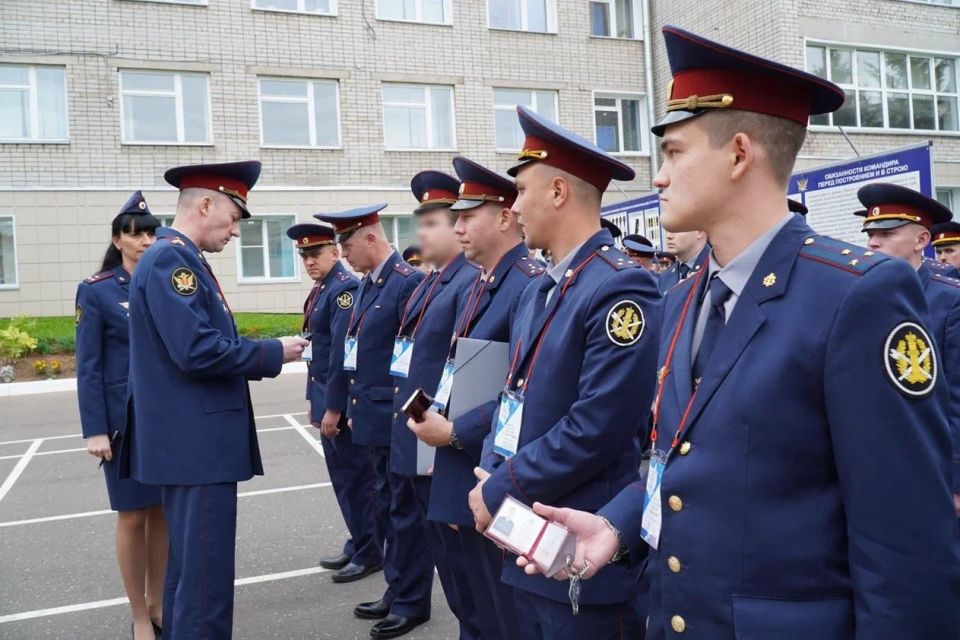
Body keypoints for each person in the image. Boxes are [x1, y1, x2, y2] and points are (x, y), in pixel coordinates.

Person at [518, 25, 960, 638]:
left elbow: (906, 542)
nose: (659, 176)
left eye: (673, 152)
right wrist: (617, 526)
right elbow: (682, 461)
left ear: (739, 153)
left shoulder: (857, 297)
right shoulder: (683, 294)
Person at [468, 105, 662, 638]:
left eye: (522, 191)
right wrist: (490, 473)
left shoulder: (621, 286)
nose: (515, 207)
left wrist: (498, 487)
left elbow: (597, 425)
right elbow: (516, 398)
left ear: (557, 192)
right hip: (525, 531)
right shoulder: (541, 287)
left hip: (582, 545)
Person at [121, 161, 309, 640]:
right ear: (205, 205)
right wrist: (273, 352)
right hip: (197, 449)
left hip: (191, 448)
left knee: (192, 580)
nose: (235, 232)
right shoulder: (171, 260)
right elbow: (196, 350)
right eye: (233, 218)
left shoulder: (177, 258)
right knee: (205, 587)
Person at [409, 155, 542, 640]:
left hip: (488, 466)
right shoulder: (481, 281)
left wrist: (456, 430)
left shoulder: (526, 285)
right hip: (458, 463)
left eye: (467, 217)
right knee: (473, 605)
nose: (457, 227)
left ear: (505, 216)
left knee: (501, 611)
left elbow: (525, 391)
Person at [312, 204, 425, 639]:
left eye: (347, 243)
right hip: (370, 418)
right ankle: (396, 591)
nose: (344, 252)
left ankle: (412, 601)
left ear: (372, 239)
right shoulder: (365, 286)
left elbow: (417, 360)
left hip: (396, 418)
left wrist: (413, 419)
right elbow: (349, 351)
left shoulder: (407, 283)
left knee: (403, 514)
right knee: (385, 512)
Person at [387, 170, 481, 638]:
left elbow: (465, 374)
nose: (421, 233)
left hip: (440, 438)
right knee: (439, 548)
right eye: (420, 224)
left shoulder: (469, 281)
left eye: (433, 223)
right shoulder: (432, 281)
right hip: (418, 432)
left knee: (461, 561)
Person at [76, 191, 167, 640]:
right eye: (136, 234)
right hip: (122, 422)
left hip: (166, 419)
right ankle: (137, 612)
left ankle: (159, 602)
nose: (146, 240)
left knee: (163, 513)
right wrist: (94, 429)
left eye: (151, 232)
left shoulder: (166, 281)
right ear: (118, 239)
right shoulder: (97, 290)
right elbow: (88, 365)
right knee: (133, 515)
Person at [287, 222, 384, 583]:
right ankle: (360, 539)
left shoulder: (343, 290)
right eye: (304, 256)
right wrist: (316, 401)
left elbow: (345, 355)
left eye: (315, 254)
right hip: (327, 398)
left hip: (340, 404)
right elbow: (319, 352)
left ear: (335, 252)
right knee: (343, 479)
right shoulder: (322, 289)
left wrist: (333, 407)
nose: (309, 261)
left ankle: (372, 548)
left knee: (358, 479)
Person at [855, 183, 960, 515]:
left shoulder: (950, 300)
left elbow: (957, 393)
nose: (873, 241)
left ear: (920, 241)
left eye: (887, 233)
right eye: (870, 232)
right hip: (867, 465)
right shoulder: (854, 294)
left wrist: (956, 479)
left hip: (928, 464)